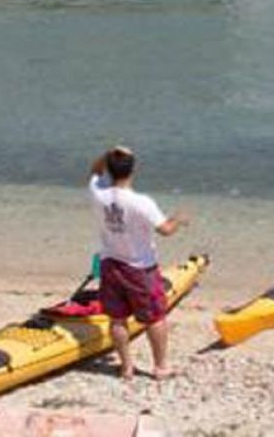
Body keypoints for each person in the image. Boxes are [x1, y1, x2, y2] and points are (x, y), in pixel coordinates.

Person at [89, 146, 188, 381]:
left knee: (117, 318)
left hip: (111, 263)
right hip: (140, 268)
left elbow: (94, 170)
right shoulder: (140, 202)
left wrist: (108, 153)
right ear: (133, 170)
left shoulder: (97, 192)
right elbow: (165, 230)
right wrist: (179, 219)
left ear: (109, 170)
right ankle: (161, 367)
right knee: (155, 317)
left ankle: (126, 368)